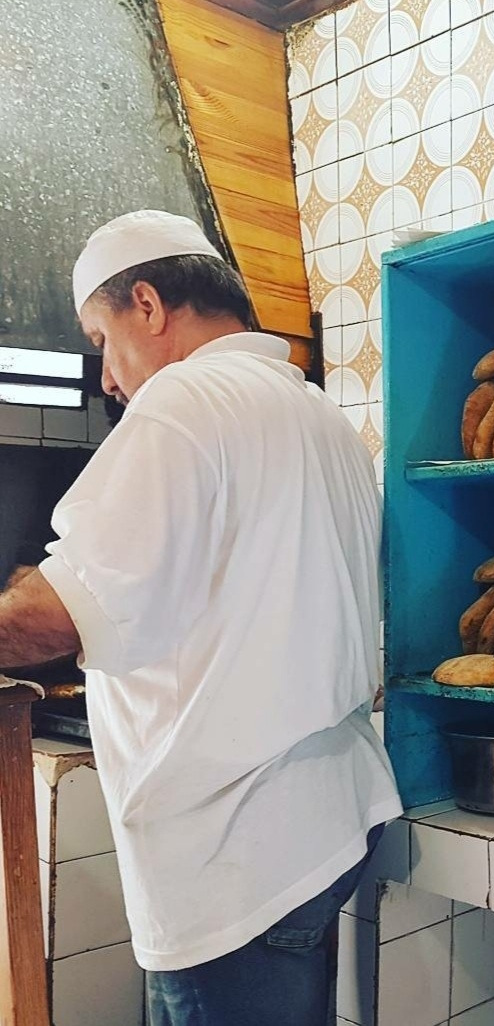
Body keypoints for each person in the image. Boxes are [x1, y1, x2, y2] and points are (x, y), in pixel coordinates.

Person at [0, 210, 402, 1025]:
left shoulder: (185, 400)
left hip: (235, 854)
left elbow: (56, 620)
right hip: (321, 817)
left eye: (100, 339)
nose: (107, 379)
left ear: (147, 304)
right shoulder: (318, 415)